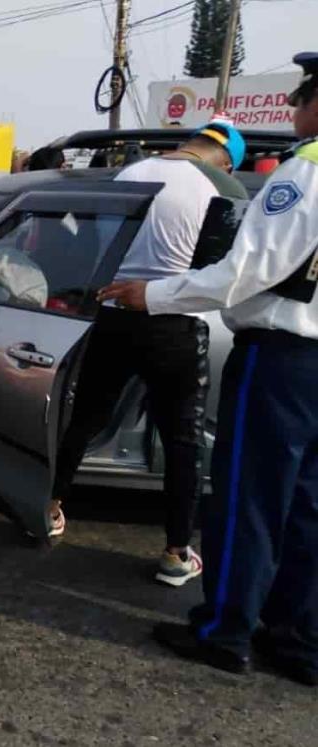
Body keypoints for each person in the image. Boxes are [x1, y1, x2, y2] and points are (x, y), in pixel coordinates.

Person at [98, 53, 318, 684]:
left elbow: (243, 274)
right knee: (307, 509)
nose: (295, 104)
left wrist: (154, 294)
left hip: (282, 360)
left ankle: (226, 631)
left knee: (251, 500)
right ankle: (296, 640)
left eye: (303, 93)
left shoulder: (303, 175)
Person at [47, 120, 249, 591]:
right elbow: (220, 267)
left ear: (191, 142)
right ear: (225, 160)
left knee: (87, 417)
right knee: (182, 438)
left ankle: (50, 506)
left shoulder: (129, 174)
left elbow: (95, 245)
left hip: (113, 313)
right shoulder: (221, 187)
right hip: (173, 323)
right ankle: (176, 553)